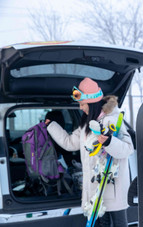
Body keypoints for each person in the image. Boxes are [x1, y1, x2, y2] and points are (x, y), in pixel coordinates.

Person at [46, 77, 134, 227]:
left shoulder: (111, 120)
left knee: (119, 224)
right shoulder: (87, 124)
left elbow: (127, 149)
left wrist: (108, 142)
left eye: (82, 104)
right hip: (95, 190)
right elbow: (69, 143)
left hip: (112, 188)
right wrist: (51, 126)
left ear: (92, 103)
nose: (80, 108)